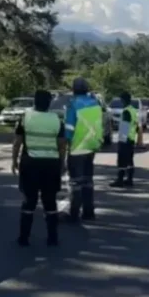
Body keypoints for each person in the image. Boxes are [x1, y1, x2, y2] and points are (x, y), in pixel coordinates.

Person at [11, 90, 66, 247]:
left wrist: (14, 161)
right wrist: (62, 164)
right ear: (49, 103)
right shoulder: (56, 120)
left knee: (29, 201)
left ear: (34, 102)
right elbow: (62, 146)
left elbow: (17, 142)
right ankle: (52, 238)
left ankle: (24, 238)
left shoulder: (25, 118)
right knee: (50, 201)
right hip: (51, 165)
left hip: (30, 164)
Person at [64, 77, 103, 222]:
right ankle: (89, 212)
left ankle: (73, 214)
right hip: (91, 146)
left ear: (73, 90)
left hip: (77, 148)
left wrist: (65, 146)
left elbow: (69, 130)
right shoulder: (95, 103)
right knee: (88, 180)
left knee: (75, 182)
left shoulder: (73, 105)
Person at [110, 91, 141, 188]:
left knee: (121, 161)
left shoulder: (126, 111)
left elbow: (125, 126)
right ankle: (129, 179)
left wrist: (121, 141)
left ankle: (120, 180)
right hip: (131, 139)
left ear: (123, 100)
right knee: (129, 161)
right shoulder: (133, 110)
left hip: (125, 140)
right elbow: (136, 126)